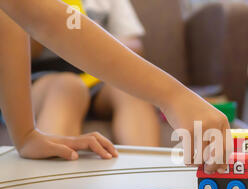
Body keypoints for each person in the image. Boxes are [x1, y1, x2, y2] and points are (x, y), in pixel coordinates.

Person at [0, 0, 230, 173]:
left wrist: (25, 135)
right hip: (49, 77)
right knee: (68, 88)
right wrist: (175, 96)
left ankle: (148, 175)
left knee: (128, 94)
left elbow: (10, 16)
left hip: (97, 79)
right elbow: (43, 20)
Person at [31, 0, 161, 147]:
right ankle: (52, 169)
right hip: (44, 78)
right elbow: (21, 50)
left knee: (132, 92)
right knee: (68, 87)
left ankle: (145, 168)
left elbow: (134, 46)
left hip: (98, 74)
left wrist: (96, 40)